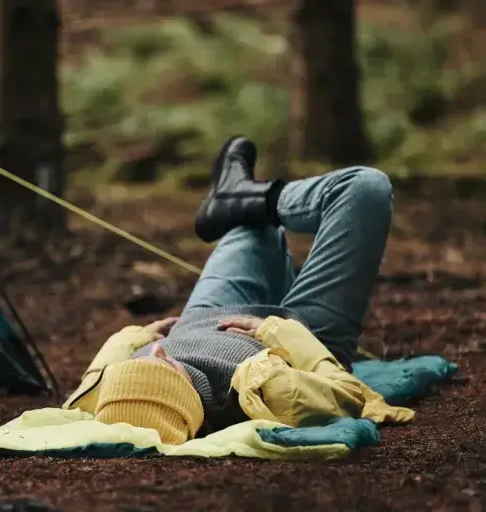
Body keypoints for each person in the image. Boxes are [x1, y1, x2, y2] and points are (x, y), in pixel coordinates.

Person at [73, 135, 397, 445]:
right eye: (161, 368)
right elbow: (349, 394)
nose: (157, 352)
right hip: (302, 336)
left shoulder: (110, 397)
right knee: (364, 188)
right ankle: (264, 198)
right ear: (185, 395)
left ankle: (234, 196)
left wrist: (135, 339)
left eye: (136, 366)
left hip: (203, 317)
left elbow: (90, 385)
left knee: (250, 222)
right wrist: (278, 332)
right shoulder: (272, 391)